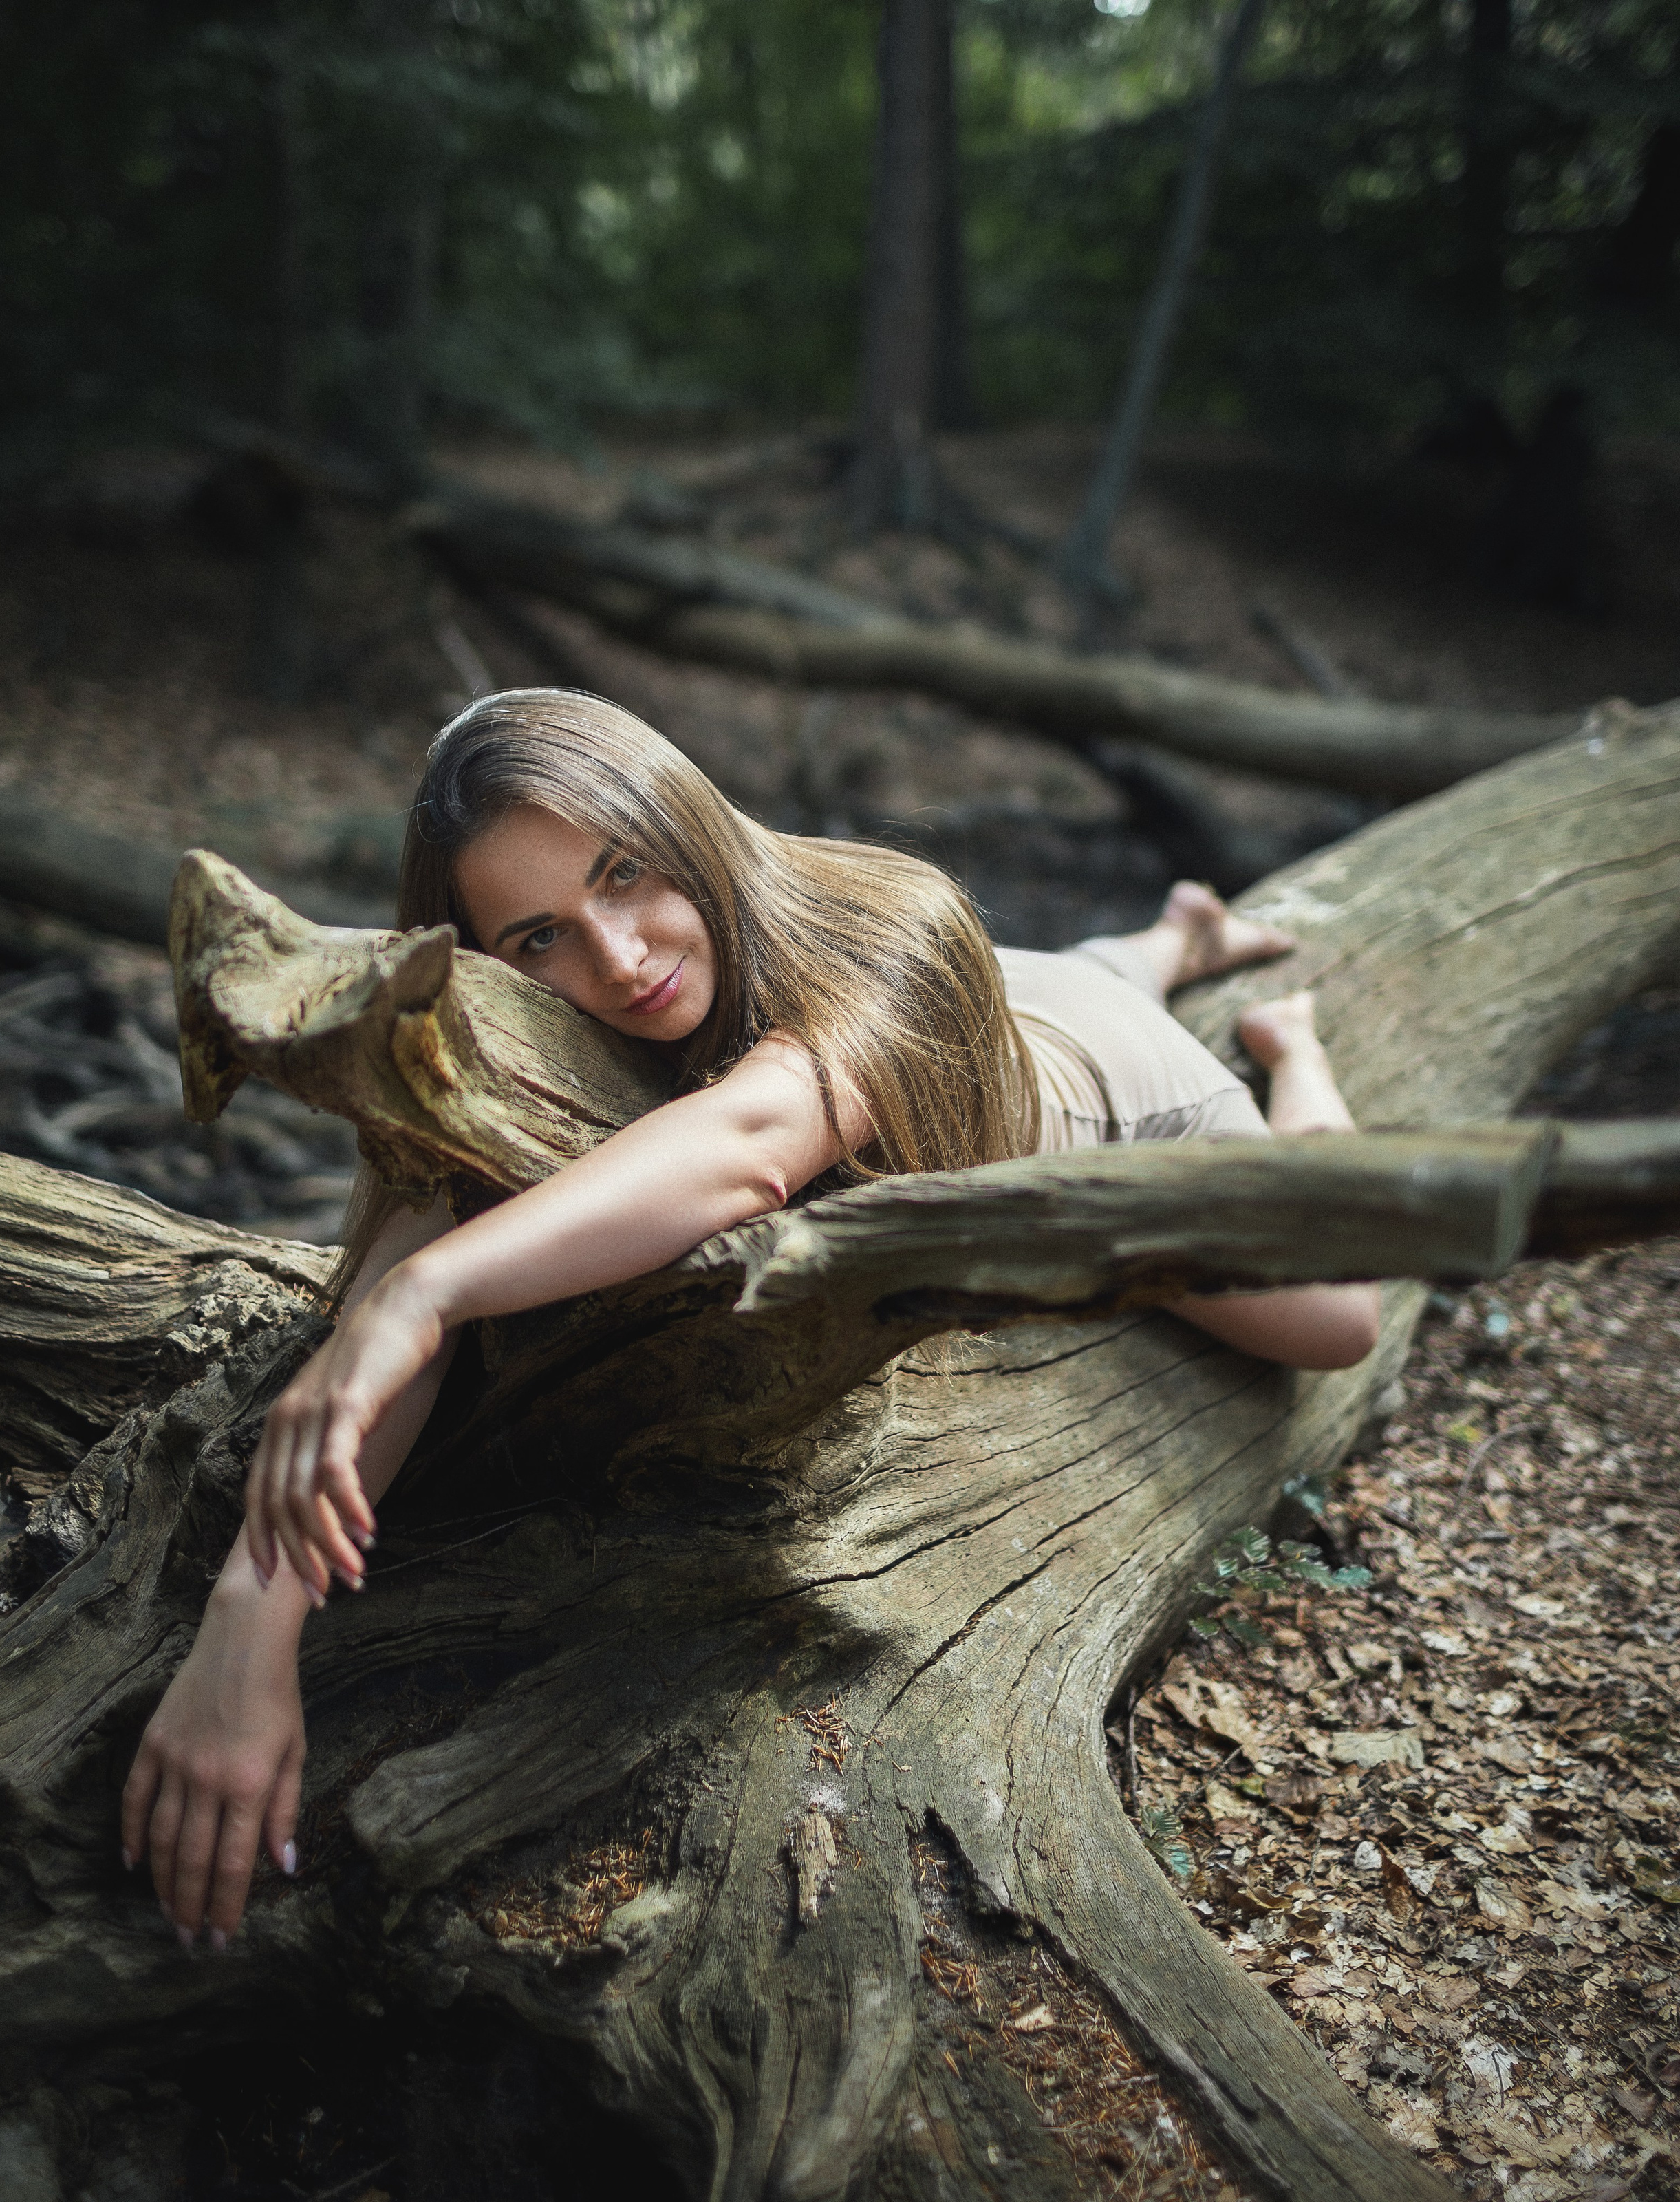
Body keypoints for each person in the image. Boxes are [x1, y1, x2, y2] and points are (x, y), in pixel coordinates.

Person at [121, 690, 1377, 1949]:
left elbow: (753, 1143)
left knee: (1337, 1316)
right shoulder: (571, 1021)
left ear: (684, 818)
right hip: (1027, 989)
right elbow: (420, 1232)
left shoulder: (903, 919)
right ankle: (1171, 934)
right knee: (1092, 970)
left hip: (1113, 1099)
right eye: (541, 936)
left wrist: (421, 1292)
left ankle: (1292, 1048)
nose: (617, 959)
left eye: (627, 871)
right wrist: (250, 1618)